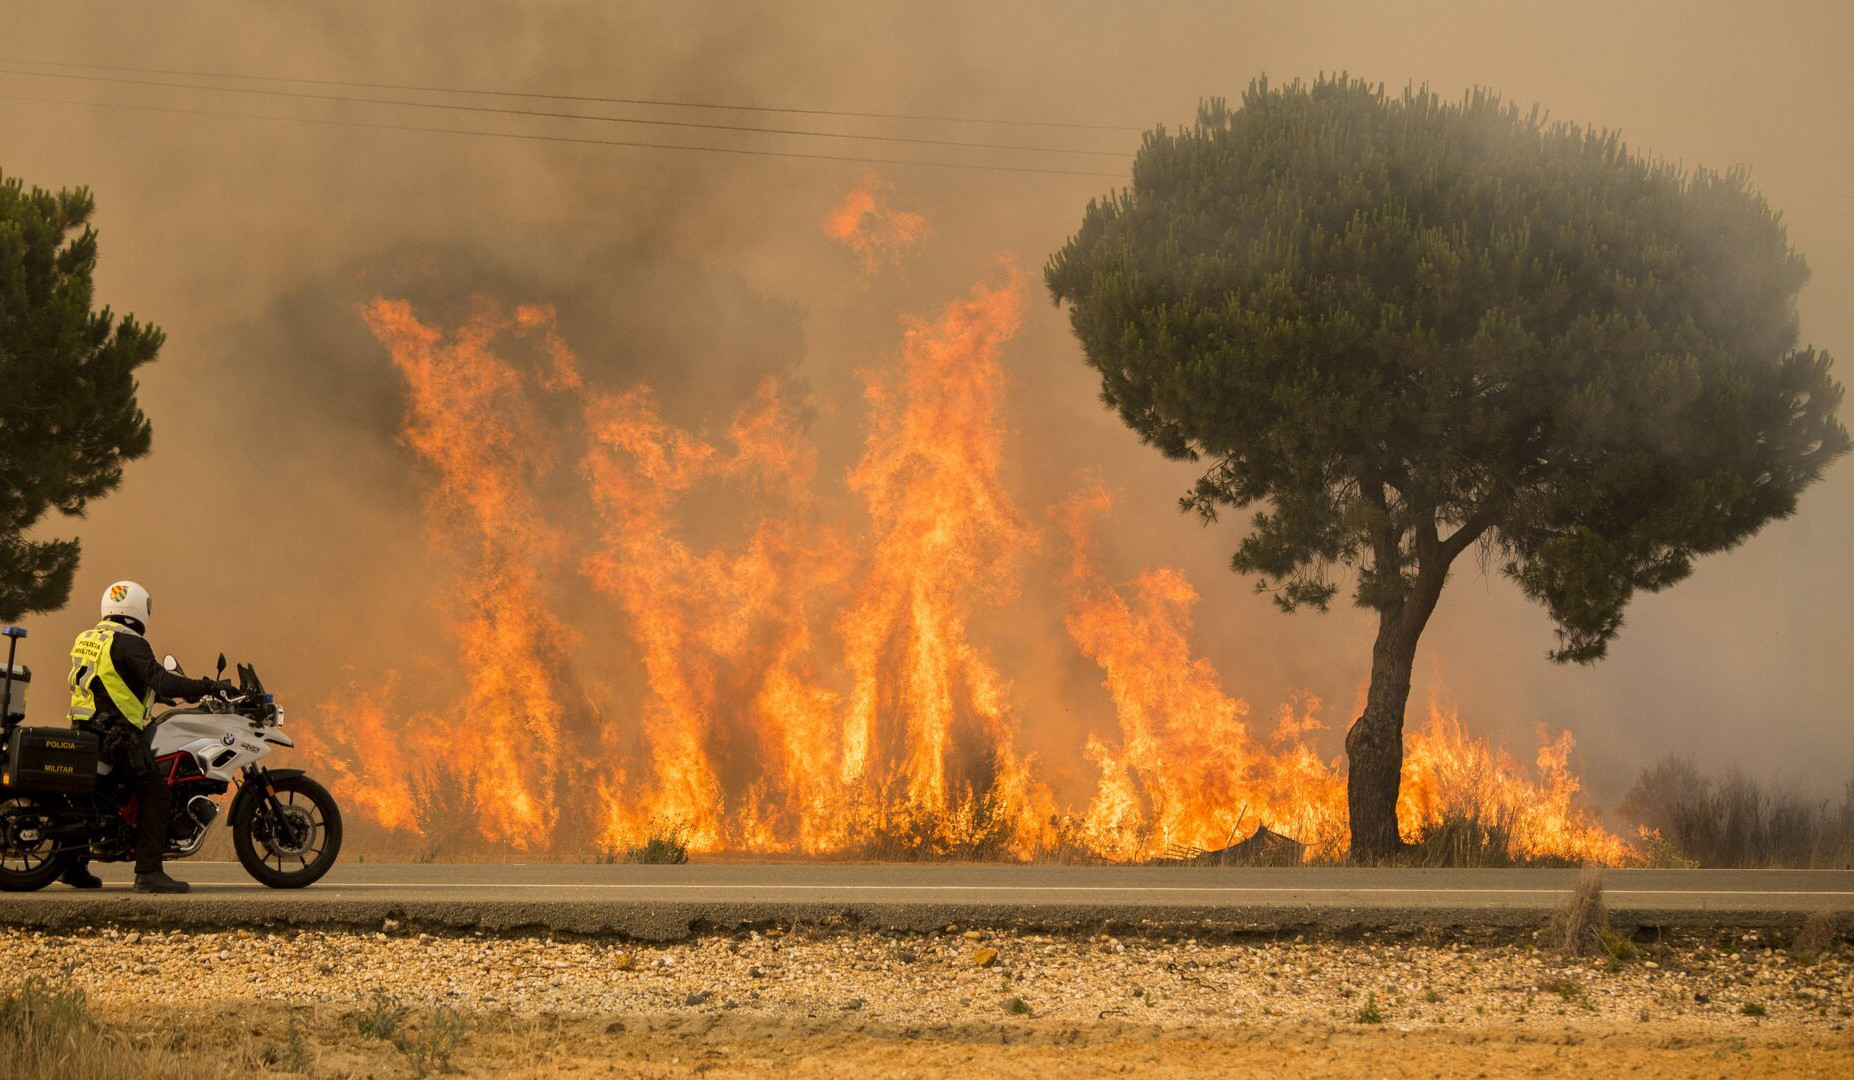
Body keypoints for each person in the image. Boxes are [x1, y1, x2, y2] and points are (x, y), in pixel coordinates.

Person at [63, 581, 228, 893]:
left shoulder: (90, 638)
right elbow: (161, 680)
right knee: (157, 794)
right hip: (116, 736)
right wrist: (208, 686)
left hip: (86, 730)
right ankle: (149, 872)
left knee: (93, 799)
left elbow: (115, 681)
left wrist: (159, 697)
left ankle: (72, 867)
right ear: (138, 609)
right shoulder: (131, 643)